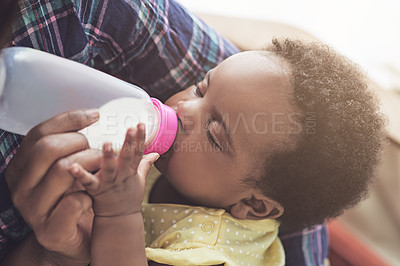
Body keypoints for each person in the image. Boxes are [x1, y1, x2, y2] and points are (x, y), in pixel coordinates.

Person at [0, 0, 370, 264]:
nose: (182, 109)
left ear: (254, 206)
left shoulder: (210, 247)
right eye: (201, 88)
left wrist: (117, 214)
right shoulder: (176, 167)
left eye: (214, 133)